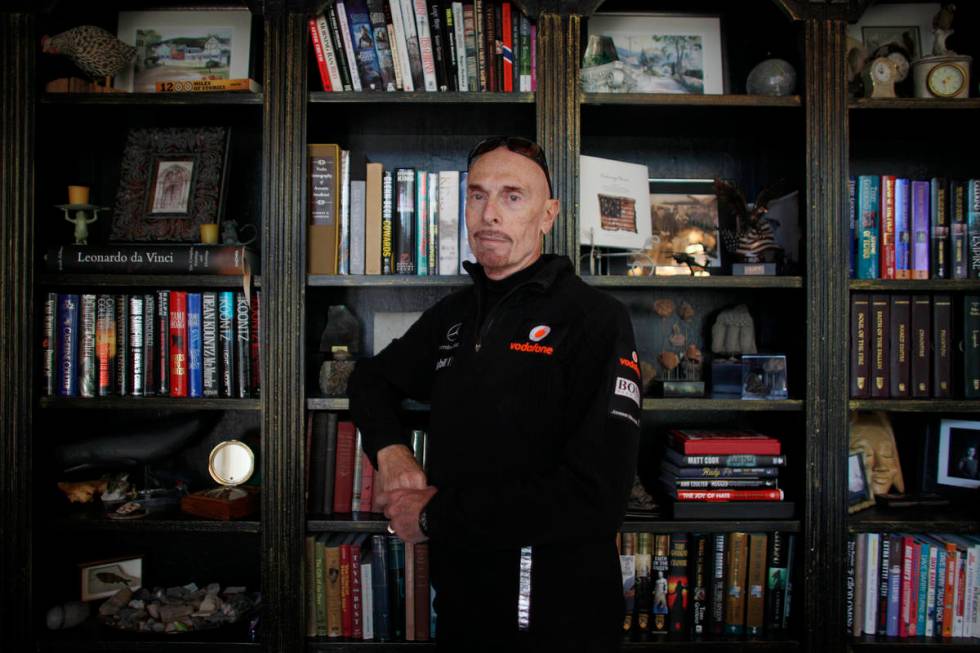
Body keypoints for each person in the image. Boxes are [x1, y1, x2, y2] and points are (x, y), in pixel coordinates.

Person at [348, 136, 641, 651]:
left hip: (557, 619)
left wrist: (432, 515)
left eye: (512, 196)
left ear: (547, 214)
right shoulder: (455, 315)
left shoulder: (595, 320)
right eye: (477, 195)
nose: (489, 214)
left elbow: (596, 498)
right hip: (461, 607)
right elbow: (370, 381)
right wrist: (390, 452)